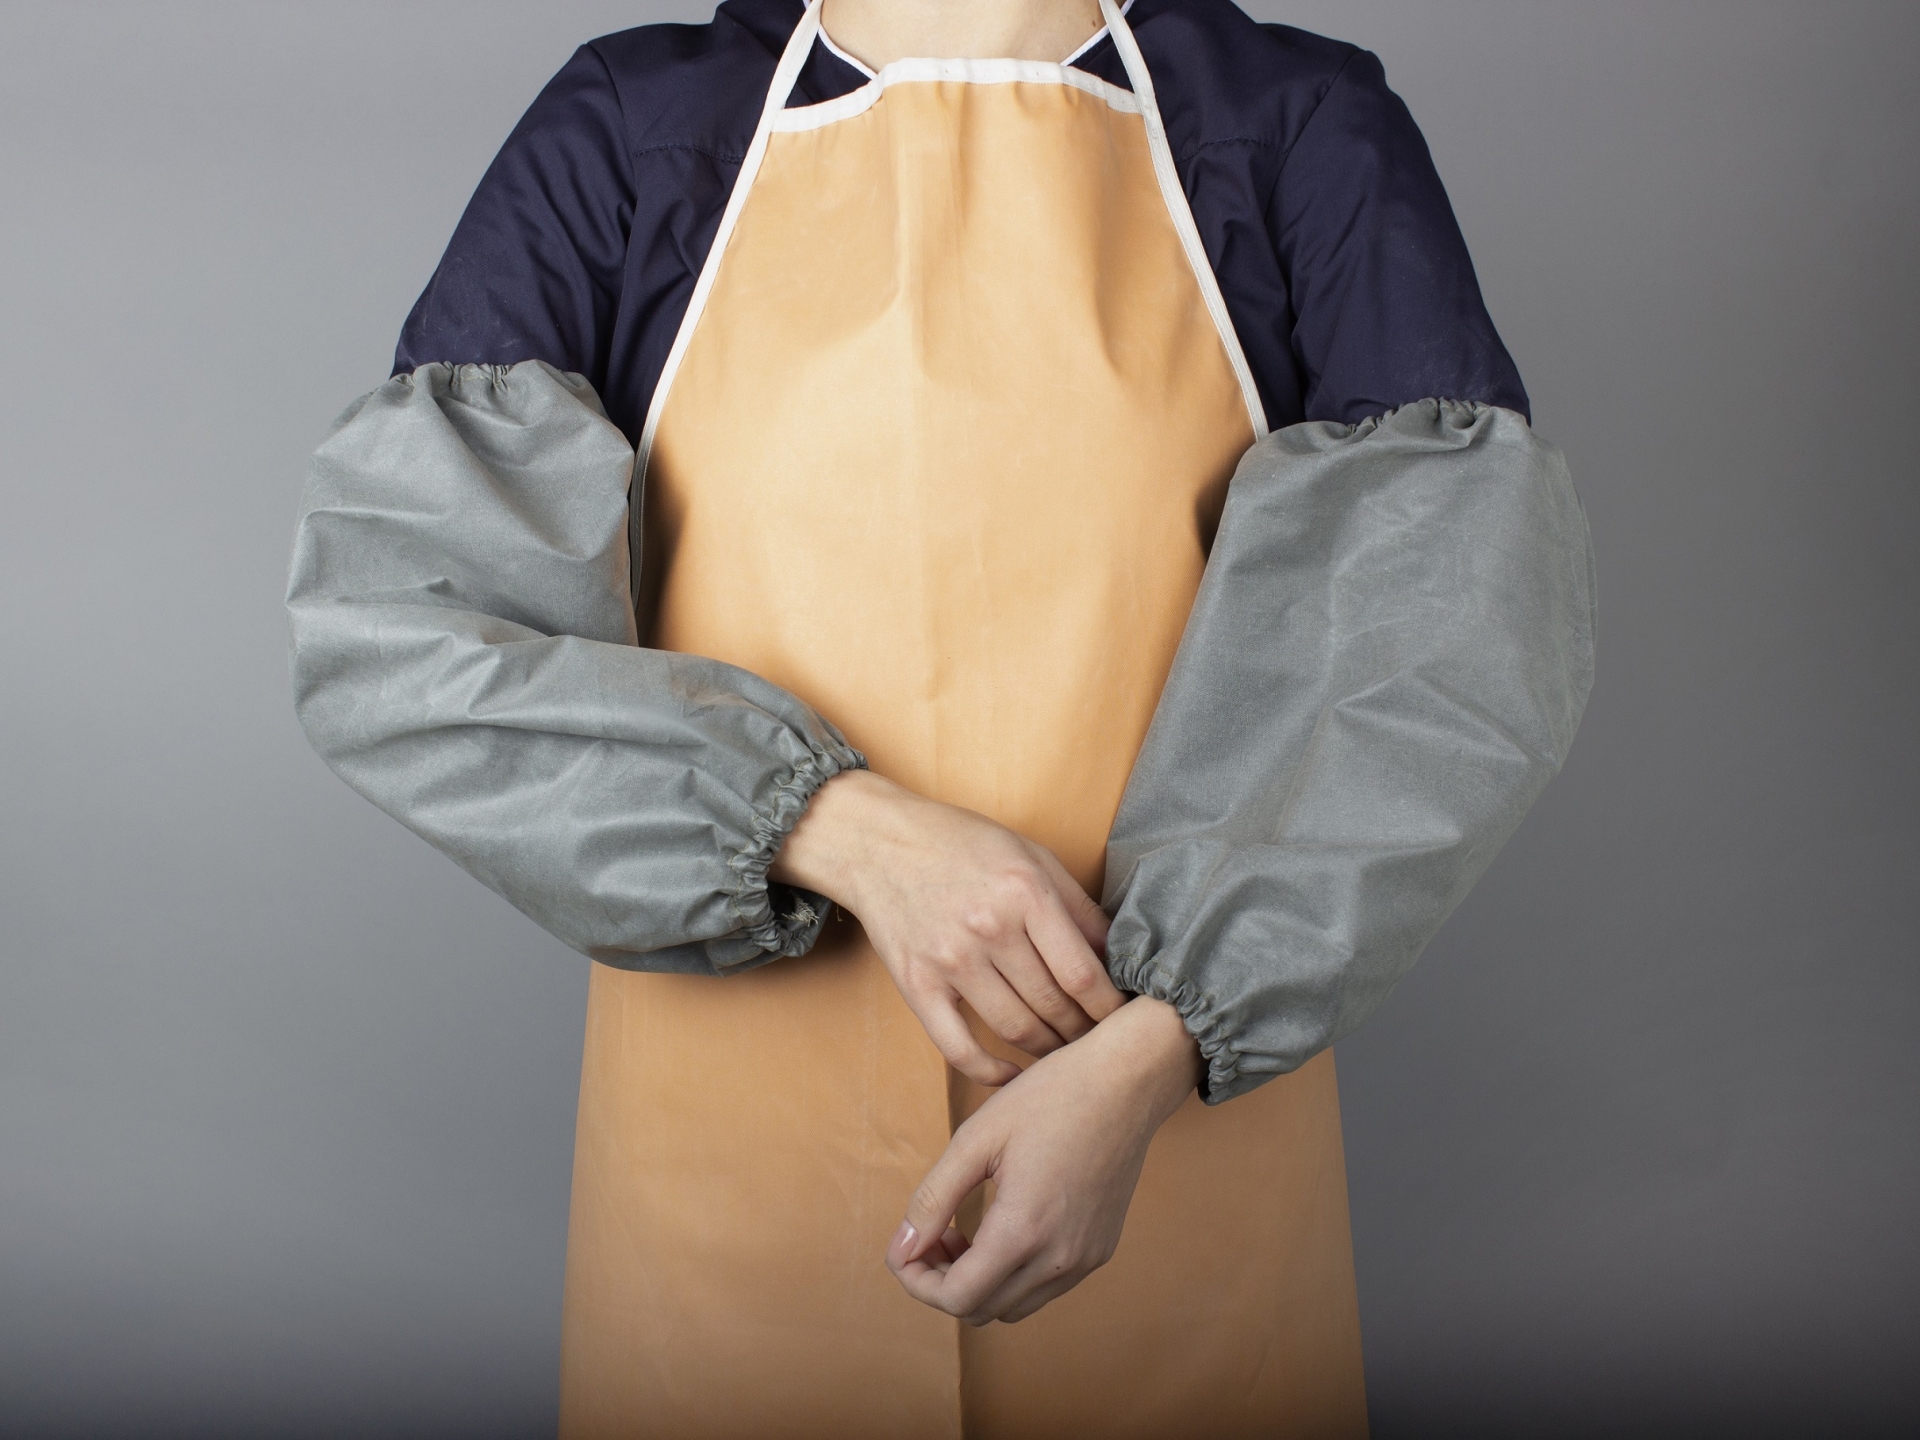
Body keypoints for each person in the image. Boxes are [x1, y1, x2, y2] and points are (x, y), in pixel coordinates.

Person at [287, 0, 1595, 1433]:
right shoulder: (636, 132)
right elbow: (409, 628)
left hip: (1162, 1143)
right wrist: (840, 829)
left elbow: (1436, 644)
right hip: (734, 1181)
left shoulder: (1291, 127)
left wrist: (1156, 1047)